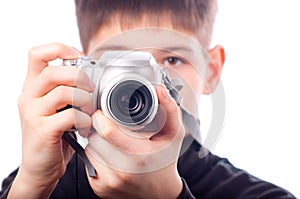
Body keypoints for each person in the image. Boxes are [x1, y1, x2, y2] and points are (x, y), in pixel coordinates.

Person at [0, 0, 296, 198]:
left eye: (171, 60)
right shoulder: (42, 183)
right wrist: (32, 185)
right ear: (85, 70)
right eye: (120, 62)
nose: (141, 83)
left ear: (211, 71)